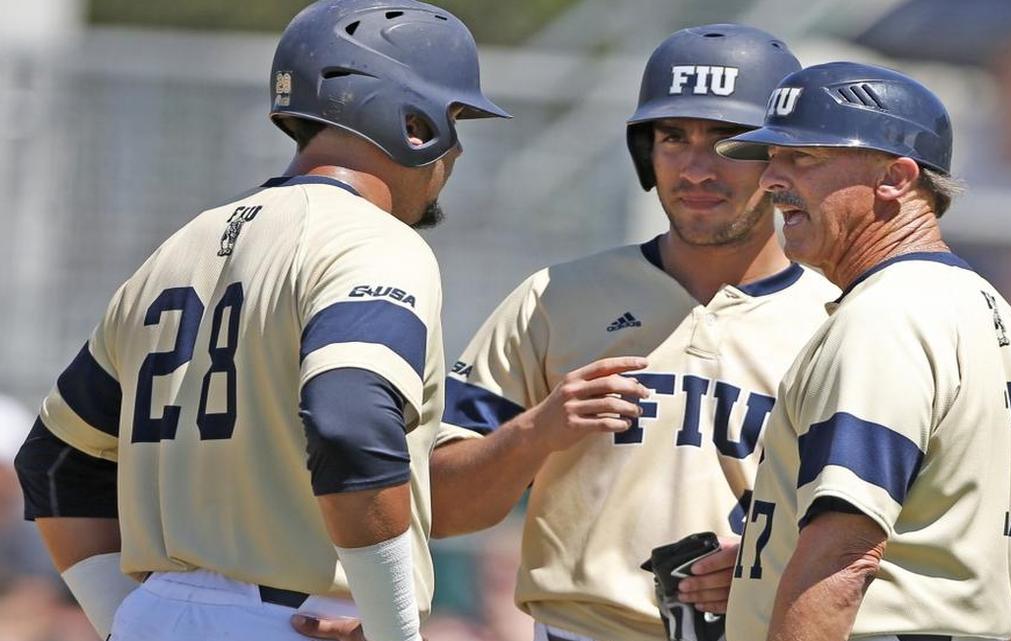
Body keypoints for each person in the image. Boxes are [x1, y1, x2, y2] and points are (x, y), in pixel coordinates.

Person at [296, 23, 838, 641]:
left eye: (727, 139)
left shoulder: (841, 322)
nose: (694, 167)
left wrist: (774, 562)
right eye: (672, 136)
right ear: (645, 152)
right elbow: (440, 507)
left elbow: (906, 535)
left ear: (781, 158)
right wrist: (534, 433)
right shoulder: (554, 298)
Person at [12, 1, 508, 640]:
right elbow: (351, 424)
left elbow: (54, 461)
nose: (459, 149)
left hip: (154, 615)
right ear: (415, 125)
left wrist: (125, 619)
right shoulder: (372, 240)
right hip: (299, 621)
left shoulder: (177, 247)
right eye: (454, 120)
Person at [715, 61, 1011, 641]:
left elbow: (845, 558)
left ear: (895, 178)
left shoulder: (885, 320)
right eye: (772, 158)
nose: (770, 179)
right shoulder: (998, 322)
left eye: (804, 158)